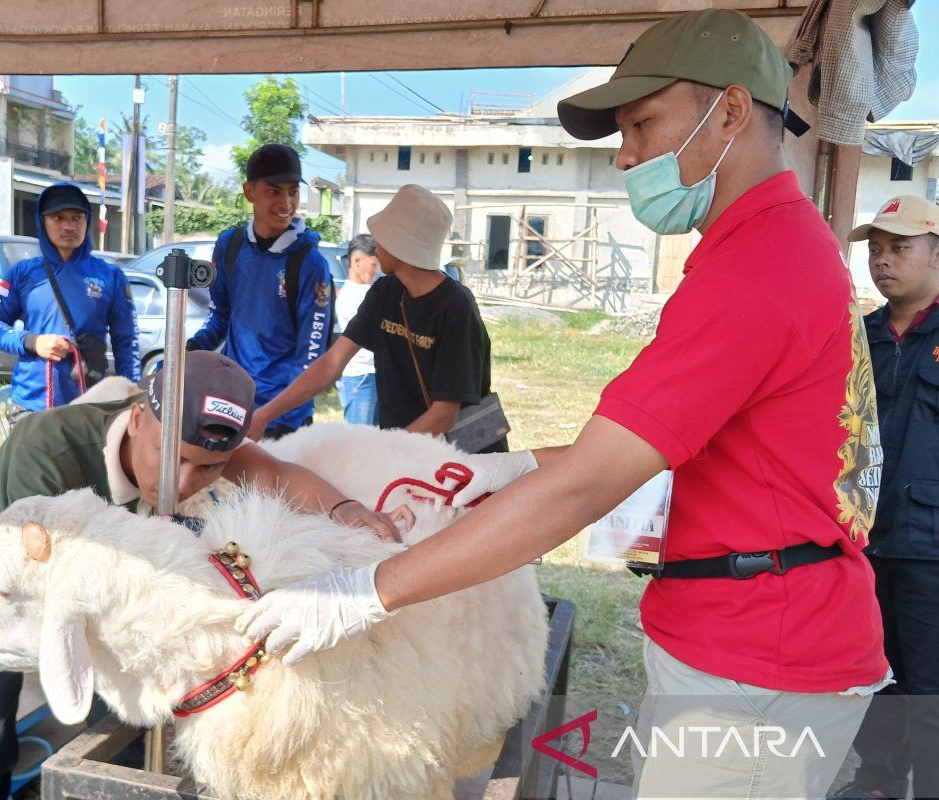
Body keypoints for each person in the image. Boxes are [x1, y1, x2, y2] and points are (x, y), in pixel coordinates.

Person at [238, 10, 891, 798]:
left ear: (729, 110)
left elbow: (588, 486)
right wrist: (508, 470)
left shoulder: (759, 268)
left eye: (645, 125)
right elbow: (644, 452)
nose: (628, 156)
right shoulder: (771, 246)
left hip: (761, 654)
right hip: (746, 627)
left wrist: (364, 593)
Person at [0, 350, 401, 800]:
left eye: (209, 468)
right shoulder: (46, 449)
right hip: (6, 591)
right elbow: (30, 575)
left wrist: (345, 509)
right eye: (171, 457)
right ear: (138, 418)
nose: (182, 484)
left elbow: (271, 472)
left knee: (119, 711)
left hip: (107, 592)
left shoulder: (191, 443)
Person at [248, 184, 507, 454]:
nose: (375, 245)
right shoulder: (386, 292)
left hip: (463, 457)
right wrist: (264, 414)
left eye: (381, 237)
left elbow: (445, 413)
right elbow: (331, 364)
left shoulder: (455, 306)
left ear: (401, 245)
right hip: (407, 451)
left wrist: (379, 454)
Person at [835, 195, 939, 800]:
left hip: (931, 548)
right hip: (864, 537)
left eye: (899, 247)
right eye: (874, 250)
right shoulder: (859, 338)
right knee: (873, 676)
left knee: (929, 687)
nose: (882, 261)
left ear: (934, 251)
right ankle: (877, 782)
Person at [186, 143, 333, 441]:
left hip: (284, 417)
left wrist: (279, 417)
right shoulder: (230, 245)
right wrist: (187, 353)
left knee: (277, 489)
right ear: (249, 191)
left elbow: (312, 354)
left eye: (293, 191)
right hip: (231, 402)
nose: (286, 202)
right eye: (274, 191)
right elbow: (221, 318)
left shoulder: (310, 263)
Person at [0, 183, 139, 422]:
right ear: (42, 221)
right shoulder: (22, 274)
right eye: (58, 218)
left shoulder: (111, 276)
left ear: (87, 221)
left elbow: (127, 344)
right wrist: (33, 341)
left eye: (77, 218)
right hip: (31, 405)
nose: (69, 226)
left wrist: (132, 396)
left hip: (91, 405)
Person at [334, 234, 380, 425]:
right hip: (359, 377)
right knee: (358, 441)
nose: (376, 270)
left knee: (376, 441)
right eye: (373, 265)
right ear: (357, 261)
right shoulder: (349, 296)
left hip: (374, 373)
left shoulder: (373, 290)